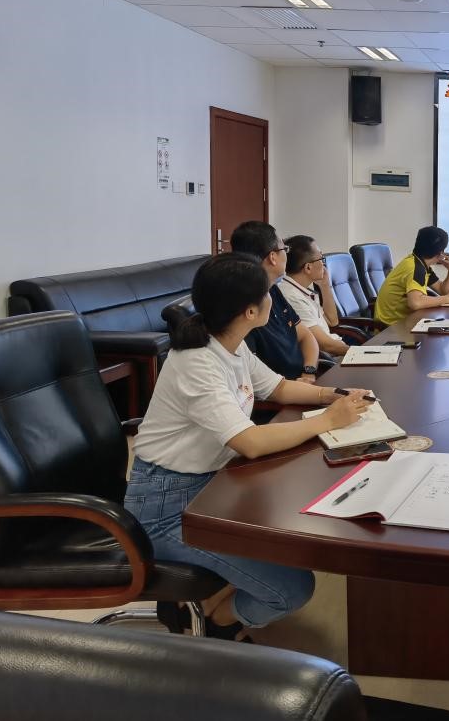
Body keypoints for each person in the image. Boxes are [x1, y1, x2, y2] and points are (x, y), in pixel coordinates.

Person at [125, 253, 371, 641]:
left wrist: (333, 395)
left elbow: (277, 387)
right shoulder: (197, 363)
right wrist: (328, 421)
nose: (274, 298)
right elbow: (250, 442)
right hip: (167, 508)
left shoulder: (230, 343)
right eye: (268, 293)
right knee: (293, 588)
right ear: (251, 311)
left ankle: (204, 603)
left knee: (291, 539)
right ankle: (217, 622)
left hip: (215, 483)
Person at [230, 220, 321, 380]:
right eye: (284, 249)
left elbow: (306, 336)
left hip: (303, 380)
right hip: (280, 389)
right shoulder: (243, 307)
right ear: (273, 257)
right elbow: (259, 383)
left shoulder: (273, 289)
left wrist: (309, 371)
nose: (286, 254)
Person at [374, 225, 449, 326]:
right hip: (390, 328)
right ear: (441, 253)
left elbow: (443, 290)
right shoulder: (415, 268)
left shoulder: (419, 263)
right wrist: (447, 299)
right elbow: (415, 303)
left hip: (402, 322)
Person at [277, 235, 348, 358]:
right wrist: (361, 352)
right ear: (308, 267)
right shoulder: (292, 297)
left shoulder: (303, 288)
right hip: (328, 360)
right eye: (321, 258)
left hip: (336, 350)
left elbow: (332, 321)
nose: (323, 264)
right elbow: (326, 345)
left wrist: (325, 285)